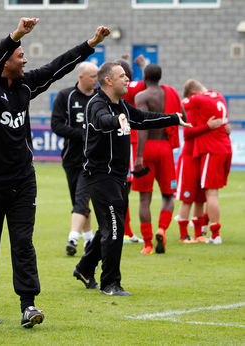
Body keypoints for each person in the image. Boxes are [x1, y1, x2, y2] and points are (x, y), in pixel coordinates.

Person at [0, 17, 110, 327]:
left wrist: (90, 45)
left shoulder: (24, 85)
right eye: (20, 55)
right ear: (3, 62)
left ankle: (28, 305)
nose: (26, 59)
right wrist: (15, 35)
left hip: (21, 181)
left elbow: (58, 67)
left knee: (22, 242)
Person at [73, 61, 191, 296]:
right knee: (115, 229)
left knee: (110, 225)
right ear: (108, 80)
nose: (128, 79)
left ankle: (85, 268)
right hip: (100, 176)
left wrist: (173, 118)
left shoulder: (123, 106)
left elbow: (144, 118)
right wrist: (115, 121)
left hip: (118, 177)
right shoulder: (97, 104)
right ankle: (110, 283)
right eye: (122, 76)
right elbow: (100, 121)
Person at [132, 64, 186, 255]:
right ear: (160, 77)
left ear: (144, 77)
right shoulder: (171, 93)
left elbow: (143, 126)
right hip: (165, 148)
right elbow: (183, 117)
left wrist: (138, 155)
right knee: (168, 195)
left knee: (144, 198)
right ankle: (161, 229)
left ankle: (147, 244)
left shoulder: (142, 97)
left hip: (147, 149)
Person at [51, 62, 98, 256]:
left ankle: (72, 238)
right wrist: (81, 134)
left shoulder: (99, 97)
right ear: (81, 77)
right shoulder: (65, 96)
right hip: (71, 157)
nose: (97, 80)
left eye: (97, 76)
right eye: (93, 76)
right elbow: (56, 124)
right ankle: (89, 240)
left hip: (92, 160)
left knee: (81, 199)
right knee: (78, 202)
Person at [179, 79, 232, 244]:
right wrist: (213, 126)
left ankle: (215, 235)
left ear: (193, 94)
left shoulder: (199, 100)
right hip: (223, 148)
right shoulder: (219, 97)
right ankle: (200, 231)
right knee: (199, 196)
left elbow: (179, 104)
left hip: (211, 150)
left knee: (210, 193)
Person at [115, 58, 145, 244]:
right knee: (124, 188)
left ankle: (124, 230)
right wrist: (142, 65)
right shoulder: (131, 86)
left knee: (123, 188)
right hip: (129, 142)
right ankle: (124, 231)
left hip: (119, 139)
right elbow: (149, 82)